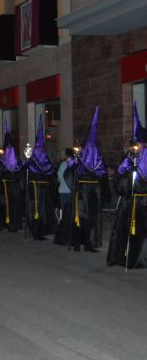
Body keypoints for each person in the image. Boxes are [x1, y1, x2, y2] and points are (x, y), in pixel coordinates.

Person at [58, 106, 107, 252]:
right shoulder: (77, 160)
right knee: (79, 219)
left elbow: (102, 175)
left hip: (93, 195)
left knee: (91, 219)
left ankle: (89, 242)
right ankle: (77, 242)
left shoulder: (98, 161)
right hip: (81, 195)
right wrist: (75, 187)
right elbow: (68, 174)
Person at [107, 104, 147, 268]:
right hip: (128, 202)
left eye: (139, 143)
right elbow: (118, 180)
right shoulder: (128, 158)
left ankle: (141, 259)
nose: (136, 146)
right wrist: (130, 169)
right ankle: (123, 257)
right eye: (134, 144)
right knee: (124, 232)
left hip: (144, 202)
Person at [24, 116, 57, 240]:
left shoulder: (45, 158)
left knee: (43, 210)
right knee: (36, 210)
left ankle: (43, 230)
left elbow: (51, 171)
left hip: (44, 188)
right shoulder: (32, 159)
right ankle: (36, 231)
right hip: (34, 188)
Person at [0, 120, 23, 232]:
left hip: (13, 189)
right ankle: (9, 224)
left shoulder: (16, 163)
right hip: (7, 189)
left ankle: (14, 225)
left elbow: (19, 173)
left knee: (14, 207)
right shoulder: (2, 163)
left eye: (10, 151)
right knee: (7, 207)